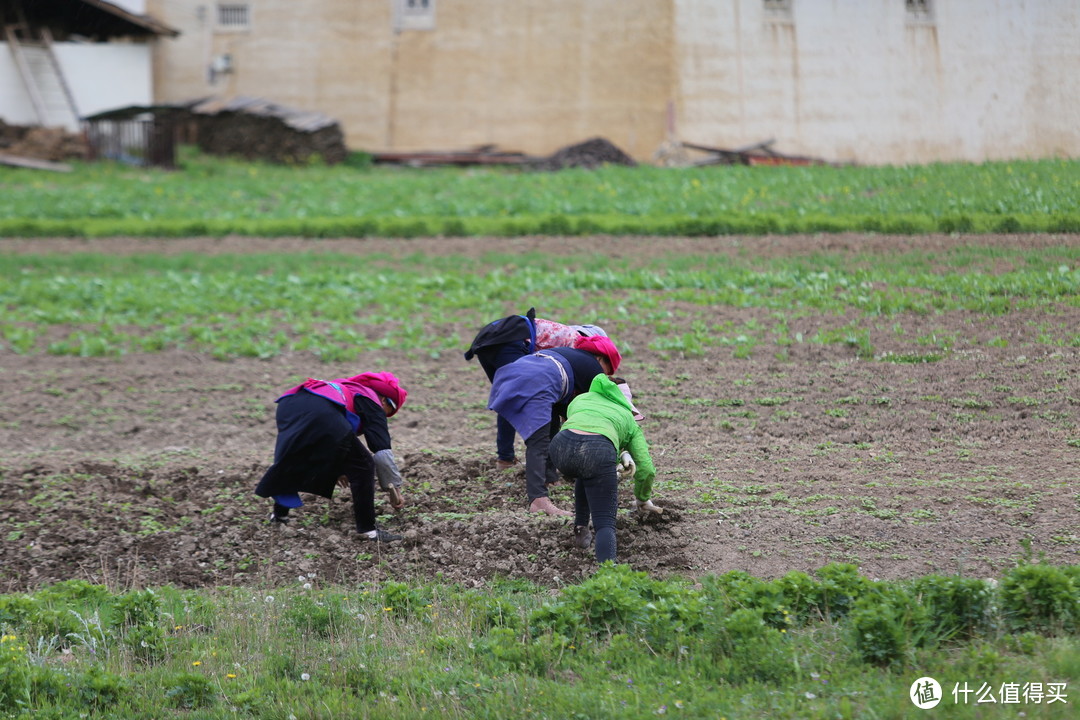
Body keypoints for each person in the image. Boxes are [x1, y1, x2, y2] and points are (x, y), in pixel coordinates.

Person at [255, 371, 408, 542]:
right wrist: (393, 486)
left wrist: (339, 468)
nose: (385, 416)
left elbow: (333, 439)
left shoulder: (348, 389)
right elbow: (381, 451)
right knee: (364, 465)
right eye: (389, 411)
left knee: (295, 458)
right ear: (385, 400)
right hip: (321, 412)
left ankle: (279, 516)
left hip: (290, 404)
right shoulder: (371, 400)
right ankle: (368, 531)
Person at [487, 335, 622, 516]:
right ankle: (538, 500)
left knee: (550, 427)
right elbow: (590, 416)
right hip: (540, 379)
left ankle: (549, 477)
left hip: (516, 370)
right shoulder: (594, 370)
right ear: (600, 359)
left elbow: (565, 410)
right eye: (608, 371)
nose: (606, 376)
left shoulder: (570, 356)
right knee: (539, 442)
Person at [464, 308, 609, 471]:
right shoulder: (576, 344)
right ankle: (516, 460)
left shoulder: (561, 333)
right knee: (513, 398)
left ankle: (510, 458)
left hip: (488, 339)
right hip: (509, 341)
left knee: (509, 397)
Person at [548, 373, 658, 563]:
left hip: (560, 448)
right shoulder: (627, 418)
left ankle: (581, 528)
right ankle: (608, 576)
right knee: (605, 521)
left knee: (586, 470)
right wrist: (641, 497)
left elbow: (584, 430)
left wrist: (617, 454)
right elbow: (647, 469)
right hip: (597, 452)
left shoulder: (580, 399)